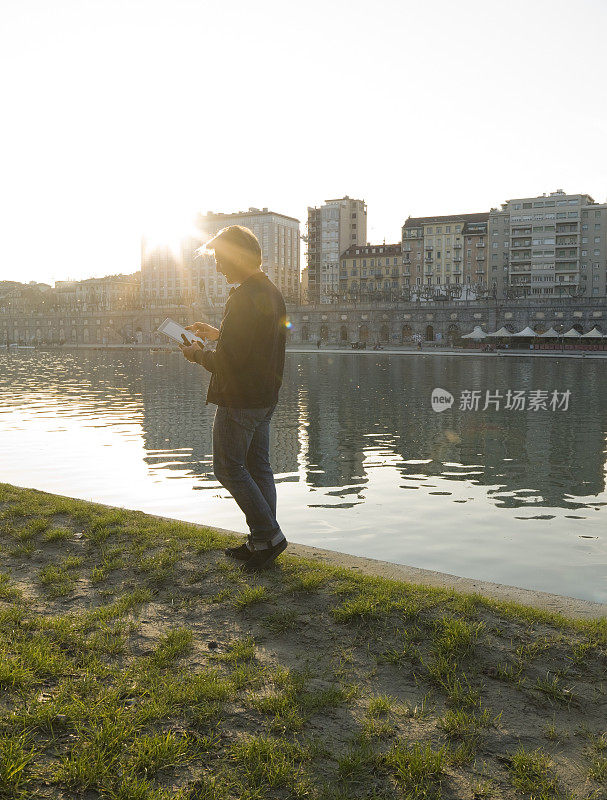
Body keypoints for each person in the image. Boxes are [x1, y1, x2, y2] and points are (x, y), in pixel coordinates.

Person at [179, 225, 288, 572]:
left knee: (228, 468)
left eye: (222, 259)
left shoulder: (242, 298)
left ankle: (269, 535)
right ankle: (261, 541)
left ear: (239, 257)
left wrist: (196, 354)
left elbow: (228, 362)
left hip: (240, 400)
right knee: (258, 467)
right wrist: (218, 333)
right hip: (264, 397)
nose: (217, 267)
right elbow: (255, 342)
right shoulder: (270, 291)